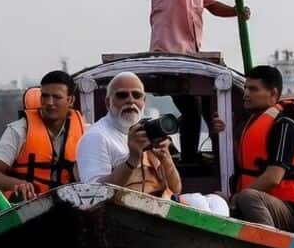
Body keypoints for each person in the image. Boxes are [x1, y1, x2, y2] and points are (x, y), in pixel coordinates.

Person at [150, 0, 249, 160]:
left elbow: (212, 6)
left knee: (209, 109)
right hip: (170, 54)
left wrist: (236, 11)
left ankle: (222, 157)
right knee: (191, 110)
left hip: (191, 56)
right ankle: (191, 159)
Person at [78, 71, 229, 216]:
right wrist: (132, 159)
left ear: (144, 102)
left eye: (136, 95)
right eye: (122, 95)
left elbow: (176, 188)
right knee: (200, 205)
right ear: (108, 102)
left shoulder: (146, 131)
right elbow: (94, 195)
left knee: (218, 203)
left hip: (161, 206)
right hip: (125, 212)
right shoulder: (96, 137)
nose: (130, 100)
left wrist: (166, 158)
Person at [231, 65, 294, 232]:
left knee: (248, 197)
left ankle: (270, 246)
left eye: (253, 89)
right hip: (269, 202)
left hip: (293, 211)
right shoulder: (253, 122)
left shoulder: (285, 124)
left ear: (273, 94)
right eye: (245, 88)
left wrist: (236, 199)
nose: (246, 94)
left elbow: (273, 178)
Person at [0, 70, 84, 203]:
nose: (49, 102)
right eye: (45, 96)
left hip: (69, 206)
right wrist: (17, 184)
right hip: (25, 207)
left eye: (56, 97)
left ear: (70, 100)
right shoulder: (19, 130)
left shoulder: (85, 133)